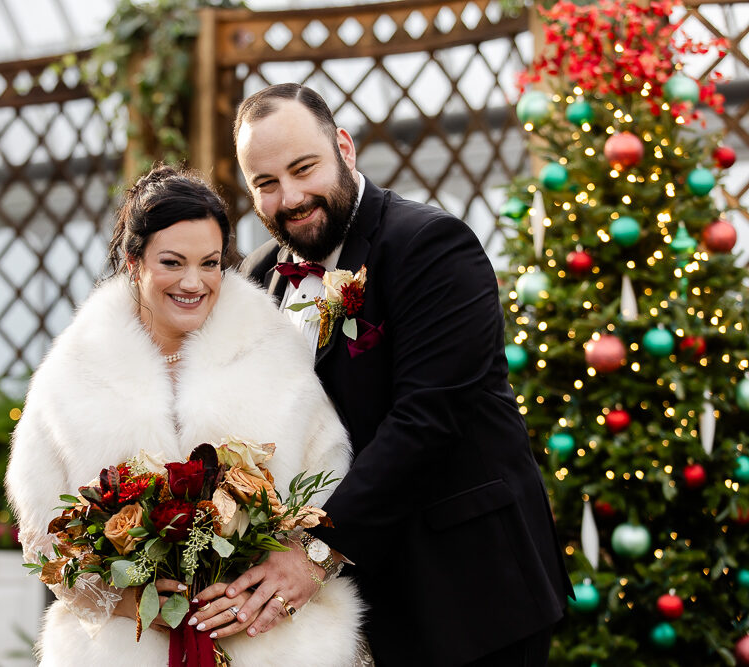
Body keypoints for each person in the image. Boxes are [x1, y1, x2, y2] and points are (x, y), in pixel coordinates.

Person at [230, 83, 572, 666]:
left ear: (344, 147)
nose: (289, 197)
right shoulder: (256, 276)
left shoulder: (431, 246)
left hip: (466, 592)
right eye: (265, 184)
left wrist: (315, 552)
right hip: (346, 613)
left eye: (303, 168)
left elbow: (427, 421)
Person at [5, 165, 365, 666]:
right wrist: (127, 600)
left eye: (210, 263)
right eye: (172, 262)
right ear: (134, 262)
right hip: (120, 651)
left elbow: (330, 481)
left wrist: (290, 571)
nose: (193, 283)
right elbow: (42, 539)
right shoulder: (71, 373)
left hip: (274, 644)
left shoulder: (274, 352)